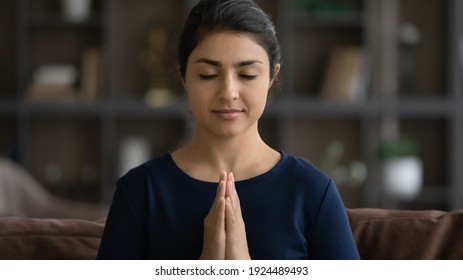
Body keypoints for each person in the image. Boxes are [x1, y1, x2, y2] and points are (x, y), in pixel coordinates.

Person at [97, 0, 360, 260]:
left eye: (247, 75)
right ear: (183, 77)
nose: (228, 92)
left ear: (272, 77)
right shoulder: (141, 191)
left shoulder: (312, 191)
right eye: (208, 74)